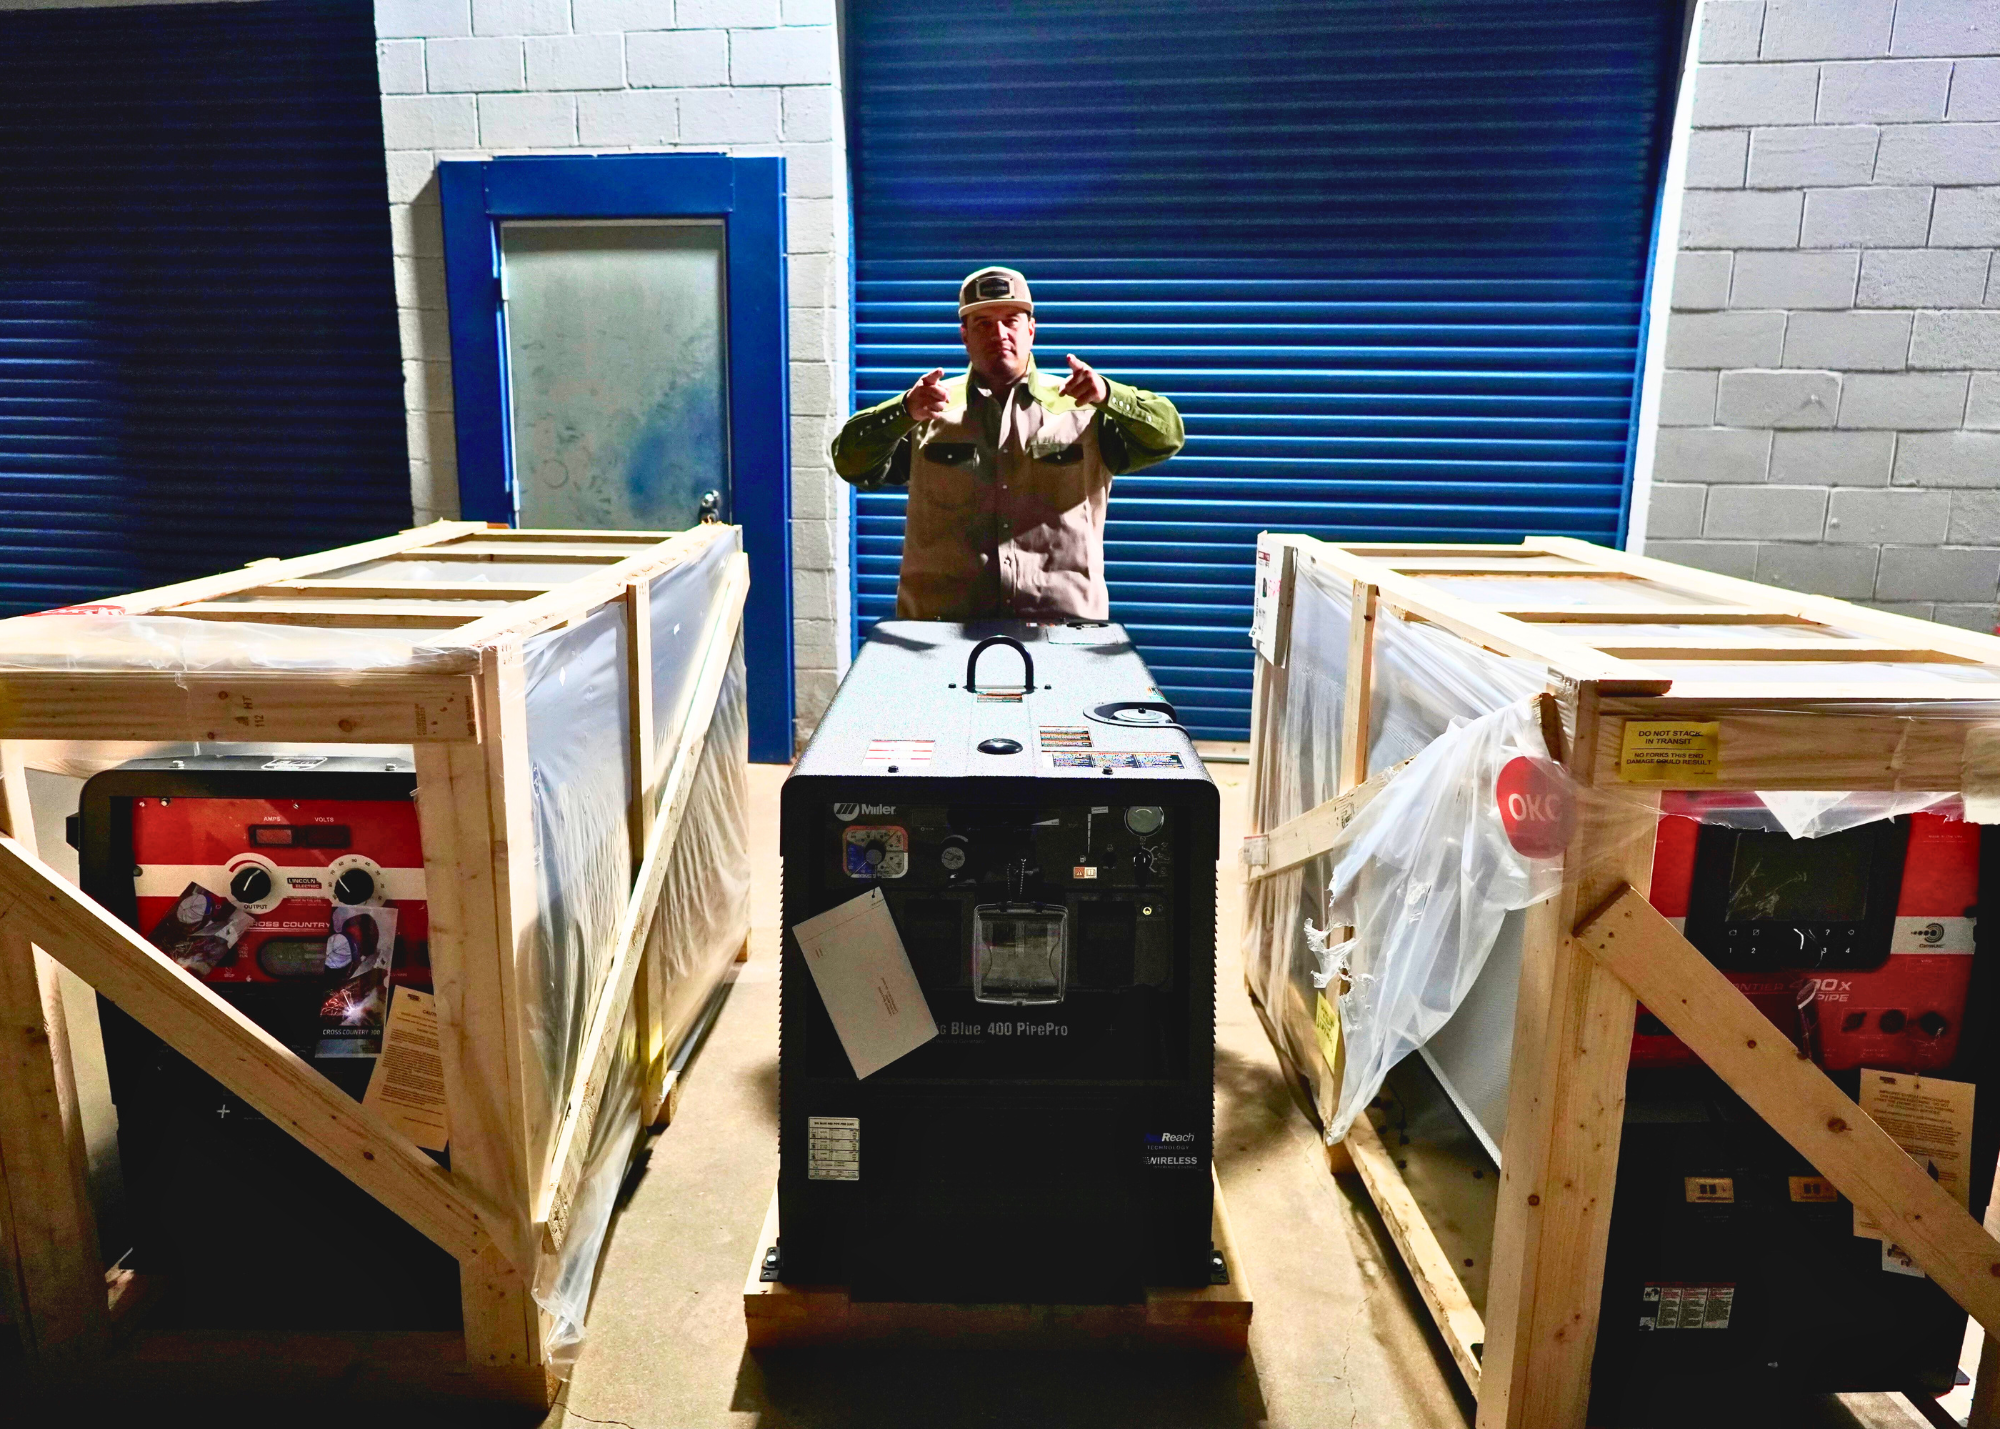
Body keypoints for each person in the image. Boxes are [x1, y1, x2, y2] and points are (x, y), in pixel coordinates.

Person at [830, 266, 1184, 622]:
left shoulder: (1083, 408)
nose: (998, 333)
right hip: (940, 632)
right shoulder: (929, 408)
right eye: (983, 323)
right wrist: (903, 411)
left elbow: (1167, 437)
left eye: (1011, 320)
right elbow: (851, 462)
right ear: (964, 335)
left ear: (1031, 329)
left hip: (1063, 629)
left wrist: (1108, 394)